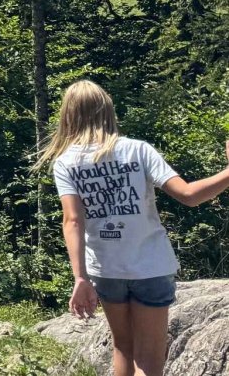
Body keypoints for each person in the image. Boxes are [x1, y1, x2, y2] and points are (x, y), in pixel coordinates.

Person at [41, 80, 229, 376]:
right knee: (150, 358)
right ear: (108, 110)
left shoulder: (66, 162)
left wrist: (80, 278)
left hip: (106, 269)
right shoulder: (138, 150)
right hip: (151, 265)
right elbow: (190, 196)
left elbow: (73, 220)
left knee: (123, 349)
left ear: (69, 115)